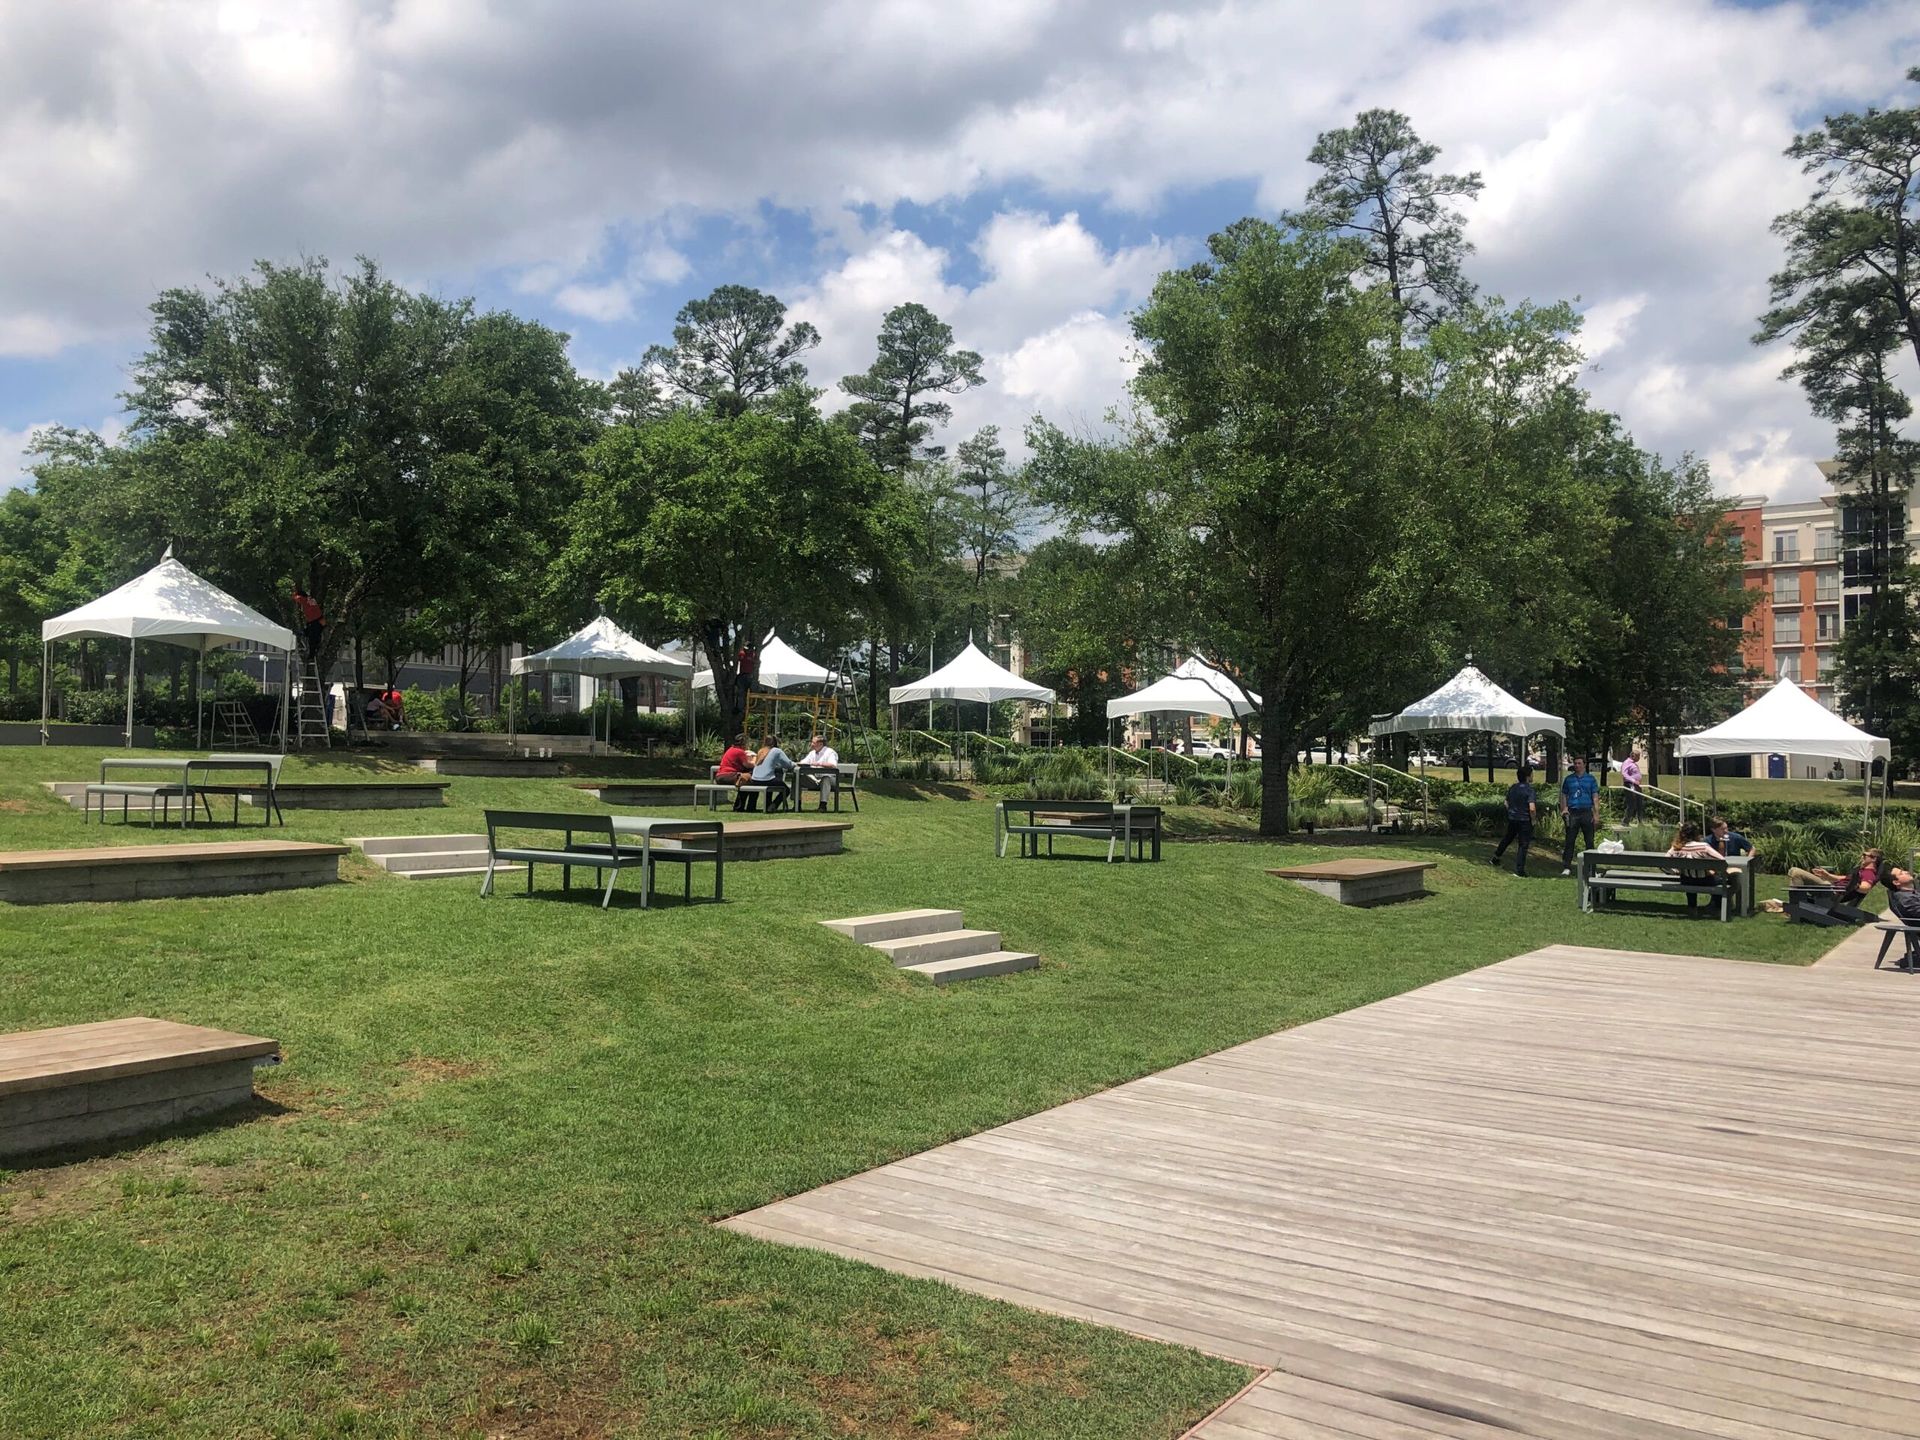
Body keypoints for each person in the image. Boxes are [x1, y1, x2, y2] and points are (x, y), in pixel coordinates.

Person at [1667, 820, 1724, 914]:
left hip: (1686, 881)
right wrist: (1712, 870)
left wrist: (1675, 871)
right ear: (1697, 833)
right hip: (1705, 880)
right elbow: (1721, 861)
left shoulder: (1677, 847)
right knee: (1721, 880)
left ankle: (1692, 908)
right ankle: (1718, 907)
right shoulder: (1703, 846)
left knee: (1689, 877)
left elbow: (1665, 861)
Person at [1789, 846, 1881, 905]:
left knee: (1796, 872)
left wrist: (1854, 886)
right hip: (1832, 888)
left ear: (1874, 859)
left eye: (1865, 856)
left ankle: (1795, 906)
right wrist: (1827, 875)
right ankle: (1796, 905)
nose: (1862, 857)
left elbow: (1866, 887)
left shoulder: (1869, 873)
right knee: (1794, 871)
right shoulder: (1862, 870)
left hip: (1833, 893)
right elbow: (1844, 878)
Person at [1558, 754, 1599, 875]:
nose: (1576, 766)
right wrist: (1564, 808)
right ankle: (1567, 866)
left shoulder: (1591, 779)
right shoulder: (1569, 779)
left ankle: (1591, 868)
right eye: (1575, 763)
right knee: (1570, 840)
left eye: (1579, 763)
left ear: (1584, 765)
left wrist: (1596, 814)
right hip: (1573, 812)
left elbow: (1595, 797)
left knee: (1589, 841)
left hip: (1586, 812)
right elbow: (1564, 794)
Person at [1493, 763, 1536, 876]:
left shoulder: (1513, 787)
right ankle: (1519, 870)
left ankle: (1496, 857)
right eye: (1531, 774)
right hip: (1525, 820)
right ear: (1528, 776)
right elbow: (1532, 808)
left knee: (1507, 838)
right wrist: (1534, 820)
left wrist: (1511, 811)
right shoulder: (1529, 790)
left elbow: (1506, 802)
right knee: (1523, 844)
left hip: (1513, 818)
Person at [751, 736, 797, 812]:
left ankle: (766, 806)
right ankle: (773, 805)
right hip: (767, 779)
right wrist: (795, 764)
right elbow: (787, 764)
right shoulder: (776, 751)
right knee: (786, 789)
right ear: (775, 743)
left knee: (771, 780)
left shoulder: (761, 751)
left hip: (754, 779)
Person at [798, 733, 840, 811]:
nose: (811, 744)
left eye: (813, 742)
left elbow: (833, 765)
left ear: (820, 744)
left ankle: (823, 805)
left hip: (830, 780)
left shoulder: (830, 752)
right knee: (797, 778)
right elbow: (804, 762)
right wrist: (797, 763)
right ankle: (797, 804)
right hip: (814, 778)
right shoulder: (812, 753)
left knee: (825, 778)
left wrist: (819, 764)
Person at [717, 733, 755, 811]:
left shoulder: (731, 749)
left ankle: (740, 807)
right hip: (728, 775)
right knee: (751, 781)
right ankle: (747, 807)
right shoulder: (739, 751)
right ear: (743, 742)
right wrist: (756, 763)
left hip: (720, 776)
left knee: (746, 782)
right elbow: (747, 765)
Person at [291, 585, 325, 660]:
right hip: (319, 621)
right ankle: (313, 649)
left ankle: (312, 655)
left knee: (312, 639)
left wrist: (294, 593)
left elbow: (295, 598)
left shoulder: (303, 599)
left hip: (315, 621)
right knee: (311, 635)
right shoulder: (311, 599)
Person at [1620, 750, 1643, 823]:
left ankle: (1640, 821)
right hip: (1630, 784)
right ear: (1633, 756)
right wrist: (1633, 780)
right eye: (1638, 756)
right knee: (1631, 803)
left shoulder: (1634, 764)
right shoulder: (1627, 763)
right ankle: (1625, 821)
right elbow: (1624, 774)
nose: (1639, 758)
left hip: (1636, 785)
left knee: (1639, 802)